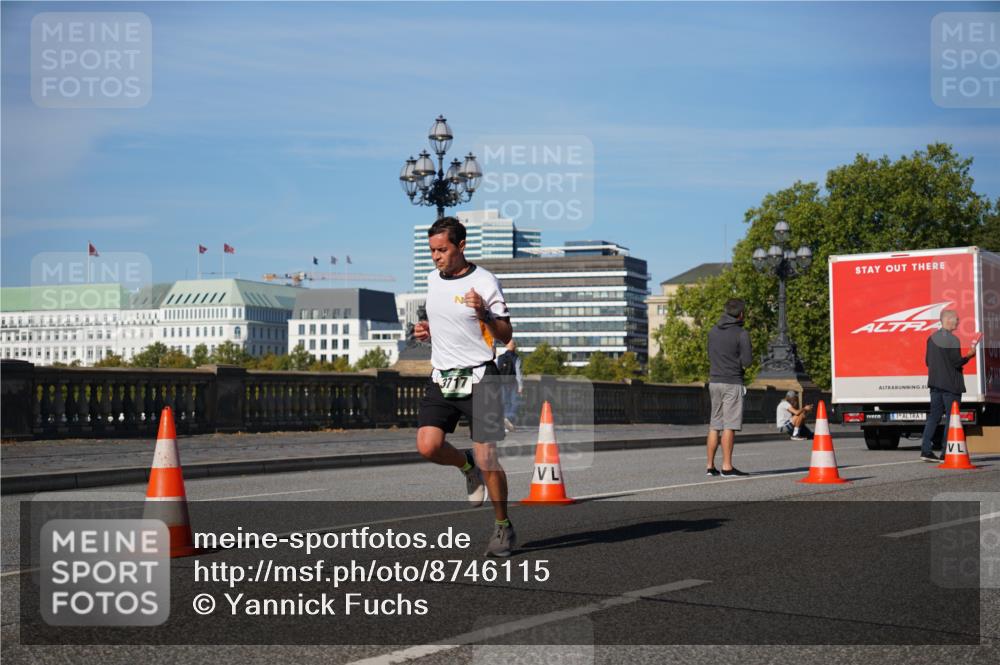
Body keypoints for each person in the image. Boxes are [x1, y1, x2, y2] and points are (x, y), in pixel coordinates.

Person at [413, 216, 517, 556]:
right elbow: (441, 321)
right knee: (428, 446)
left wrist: (484, 313)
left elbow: (505, 335)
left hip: (480, 377)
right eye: (432, 250)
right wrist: (425, 330)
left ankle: (502, 526)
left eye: (442, 249)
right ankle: (466, 467)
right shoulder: (431, 280)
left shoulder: (485, 281)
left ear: (461, 246)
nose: (436, 256)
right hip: (443, 375)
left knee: (489, 457)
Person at [919, 309, 980, 462]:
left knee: (933, 417)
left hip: (934, 385)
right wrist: (969, 355)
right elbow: (956, 362)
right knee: (951, 419)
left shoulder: (931, 338)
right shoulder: (953, 340)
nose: (958, 322)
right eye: (957, 319)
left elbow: (927, 362)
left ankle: (926, 450)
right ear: (948, 320)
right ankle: (945, 453)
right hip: (951, 386)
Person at [705, 298, 752, 477]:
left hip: (714, 381)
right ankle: (727, 466)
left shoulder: (713, 331)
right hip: (732, 381)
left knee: (714, 425)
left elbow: (710, 354)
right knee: (729, 425)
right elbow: (747, 361)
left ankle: (710, 466)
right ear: (741, 314)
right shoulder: (742, 333)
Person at [495, 339, 523, 432]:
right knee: (516, 403)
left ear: (506, 346)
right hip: (513, 383)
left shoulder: (500, 357)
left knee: (505, 403)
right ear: (514, 346)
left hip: (502, 383)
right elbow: (518, 372)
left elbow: (496, 371)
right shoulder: (516, 358)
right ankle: (508, 419)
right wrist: (520, 386)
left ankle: (505, 424)